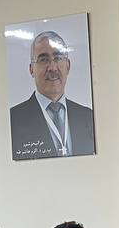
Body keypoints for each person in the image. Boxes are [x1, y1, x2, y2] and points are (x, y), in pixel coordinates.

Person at [9, 30, 96, 160]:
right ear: (31, 69)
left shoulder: (88, 117)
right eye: (43, 60)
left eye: (58, 58)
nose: (52, 68)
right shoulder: (13, 120)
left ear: (68, 65)